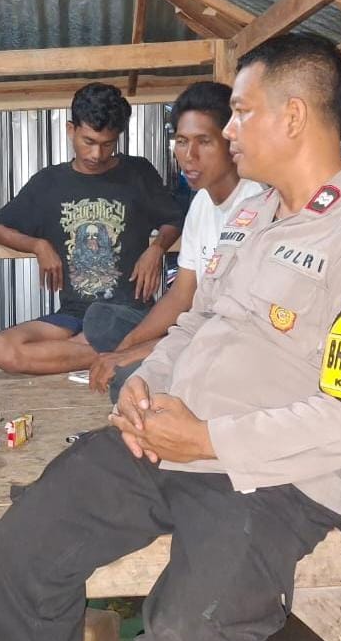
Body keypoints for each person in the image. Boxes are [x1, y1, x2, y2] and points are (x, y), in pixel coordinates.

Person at [0, 34, 341, 641]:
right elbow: (194, 322)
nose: (230, 130)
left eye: (242, 112)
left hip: (265, 479)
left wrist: (207, 440)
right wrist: (146, 382)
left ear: (293, 116)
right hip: (162, 439)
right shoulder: (249, 215)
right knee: (18, 553)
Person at [0, 82, 184, 375]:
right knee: (1, 348)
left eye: (108, 144)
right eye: (88, 141)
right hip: (73, 315)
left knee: (87, 336)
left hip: (126, 313)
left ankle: (113, 346)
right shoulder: (49, 183)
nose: (96, 154)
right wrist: (38, 245)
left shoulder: (137, 173)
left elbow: (174, 219)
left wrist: (157, 248)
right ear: (71, 129)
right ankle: (116, 352)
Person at [84, 81, 265, 401]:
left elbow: (231, 326)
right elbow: (182, 295)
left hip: (237, 343)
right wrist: (125, 347)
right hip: (198, 327)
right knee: (102, 321)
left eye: (204, 141)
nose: (189, 156)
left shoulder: (256, 206)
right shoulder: (202, 203)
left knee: (130, 379)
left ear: (231, 141)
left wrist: (135, 354)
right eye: (181, 141)